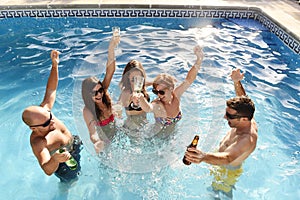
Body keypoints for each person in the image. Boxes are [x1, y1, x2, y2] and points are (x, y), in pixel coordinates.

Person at [184, 69, 258, 198]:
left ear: (244, 119)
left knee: (219, 193)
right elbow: (244, 100)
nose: (225, 117)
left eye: (229, 115)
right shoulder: (247, 118)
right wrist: (237, 82)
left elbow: (228, 158)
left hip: (226, 172)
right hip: (220, 160)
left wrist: (203, 157)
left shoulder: (246, 139)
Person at [22, 50, 82, 183]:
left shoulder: (44, 112)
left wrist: (54, 65)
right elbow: (47, 169)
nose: (53, 123)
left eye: (50, 117)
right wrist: (55, 159)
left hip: (74, 144)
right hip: (62, 163)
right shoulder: (38, 142)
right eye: (46, 124)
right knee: (71, 181)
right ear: (34, 128)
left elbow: (52, 89)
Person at [134, 45, 204, 127]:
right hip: (160, 135)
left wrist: (199, 60)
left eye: (161, 92)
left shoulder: (176, 95)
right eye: (156, 92)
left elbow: (189, 79)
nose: (159, 95)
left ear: (171, 89)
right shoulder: (158, 104)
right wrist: (141, 98)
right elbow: (148, 108)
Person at [81, 35, 120, 153]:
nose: (99, 94)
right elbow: (92, 132)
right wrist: (97, 142)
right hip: (105, 142)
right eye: (94, 92)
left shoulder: (104, 94)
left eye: (100, 90)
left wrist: (111, 48)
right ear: (88, 94)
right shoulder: (88, 110)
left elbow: (110, 71)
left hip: (117, 134)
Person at [118, 59, 150, 132]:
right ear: (128, 77)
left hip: (144, 127)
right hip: (132, 129)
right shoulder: (126, 93)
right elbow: (119, 108)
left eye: (138, 79)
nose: (136, 82)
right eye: (133, 79)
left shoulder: (142, 87)